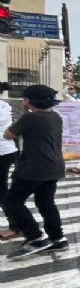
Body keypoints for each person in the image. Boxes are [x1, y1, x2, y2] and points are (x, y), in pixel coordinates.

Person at [2, 85, 68, 259]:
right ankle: (57, 238)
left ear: (30, 101)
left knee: (11, 202)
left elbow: (8, 135)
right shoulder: (55, 116)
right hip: (53, 166)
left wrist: (24, 114)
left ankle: (35, 236)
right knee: (46, 203)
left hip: (33, 168)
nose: (23, 101)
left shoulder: (30, 118)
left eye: (24, 99)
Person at [0, 90, 21, 241]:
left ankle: (15, 225)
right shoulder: (5, 105)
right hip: (8, 150)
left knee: (1, 191)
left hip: (2, 152)